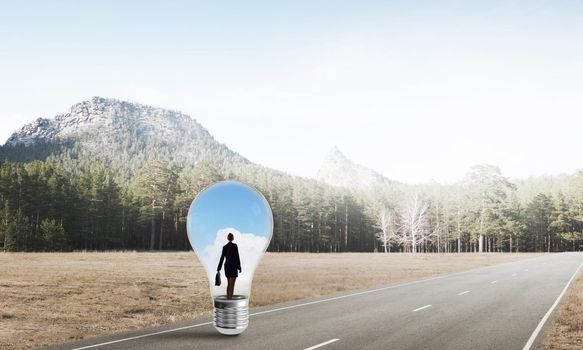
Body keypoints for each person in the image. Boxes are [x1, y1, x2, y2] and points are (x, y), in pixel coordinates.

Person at [217, 232, 241, 299]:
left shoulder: (224, 247)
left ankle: (228, 298)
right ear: (233, 238)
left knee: (229, 284)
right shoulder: (235, 246)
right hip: (233, 266)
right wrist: (239, 267)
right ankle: (230, 299)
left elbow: (222, 258)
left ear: (228, 238)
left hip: (227, 267)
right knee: (232, 285)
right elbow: (237, 257)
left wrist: (218, 268)